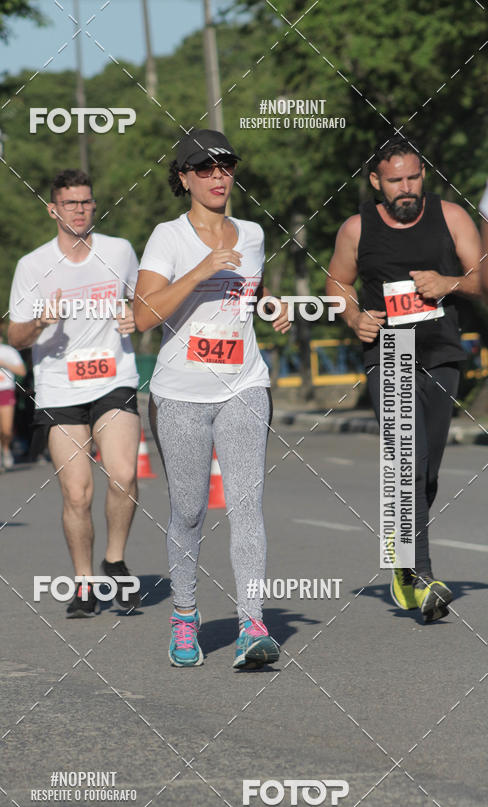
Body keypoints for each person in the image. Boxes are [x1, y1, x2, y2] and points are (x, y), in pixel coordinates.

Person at [134, 129, 290, 668]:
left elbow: (247, 291)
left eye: (225, 166)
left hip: (244, 383)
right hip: (180, 394)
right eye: (204, 168)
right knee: (191, 509)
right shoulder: (168, 238)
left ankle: (252, 623)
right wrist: (201, 268)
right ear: (183, 178)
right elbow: (141, 317)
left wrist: (270, 306)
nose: (218, 176)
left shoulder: (250, 234)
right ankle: (184, 615)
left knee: (247, 505)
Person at [326, 136, 482, 622]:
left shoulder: (452, 217)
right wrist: (353, 319)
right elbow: (336, 283)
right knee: (406, 461)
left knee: (427, 469)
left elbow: (482, 278)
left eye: (414, 177)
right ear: (376, 181)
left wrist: (449, 283)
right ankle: (418, 573)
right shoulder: (357, 228)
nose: (407, 187)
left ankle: (401, 557)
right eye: (395, 180)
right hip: (388, 349)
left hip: (441, 352)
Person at [8, 169, 141, 619]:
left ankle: (115, 561)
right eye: (70, 203)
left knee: (123, 473)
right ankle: (84, 583)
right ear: (53, 209)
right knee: (78, 493)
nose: (80, 210)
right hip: (60, 386)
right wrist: (41, 321)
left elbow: (144, 301)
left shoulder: (119, 251)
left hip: (113, 378)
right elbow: (15, 335)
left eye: (86, 202)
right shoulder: (33, 265)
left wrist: (135, 318)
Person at [0, 325, 26, 472]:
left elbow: (22, 371)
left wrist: (4, 364)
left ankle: (6, 449)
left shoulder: (8, 352)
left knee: (6, 430)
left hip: (6, 391)